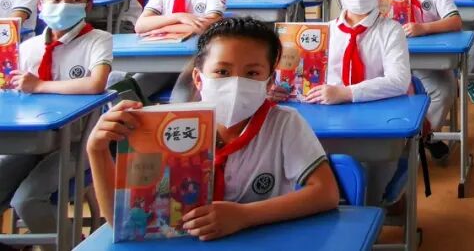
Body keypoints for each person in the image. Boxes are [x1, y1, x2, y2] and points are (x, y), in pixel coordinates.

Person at [88, 18, 339, 241]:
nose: (236, 83)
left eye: (252, 73)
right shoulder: (166, 130)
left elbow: (326, 193)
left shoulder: (284, 124)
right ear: (199, 79)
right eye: (222, 71)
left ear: (269, 82)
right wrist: (96, 150)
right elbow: (121, 221)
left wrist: (244, 215)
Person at [0, 0, 112, 238]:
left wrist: (39, 86)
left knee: (27, 200)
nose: (63, 6)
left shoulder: (98, 39)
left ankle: (71, 244)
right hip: (31, 141)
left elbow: (96, 83)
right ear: (40, 4)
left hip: (76, 143)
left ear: (88, 6)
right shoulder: (27, 47)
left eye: (75, 0)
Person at [301, 0, 409, 205]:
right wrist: (282, 88)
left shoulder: (391, 30)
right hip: (328, 124)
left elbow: (399, 81)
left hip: (377, 125)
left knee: (370, 190)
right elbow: (302, 80)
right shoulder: (322, 33)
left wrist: (347, 93)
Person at [394, 0, 462, 160]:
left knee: (446, 89)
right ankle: (396, 139)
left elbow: (455, 21)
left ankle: (423, 136)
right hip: (392, 60)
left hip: (427, 60)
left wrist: (423, 28)